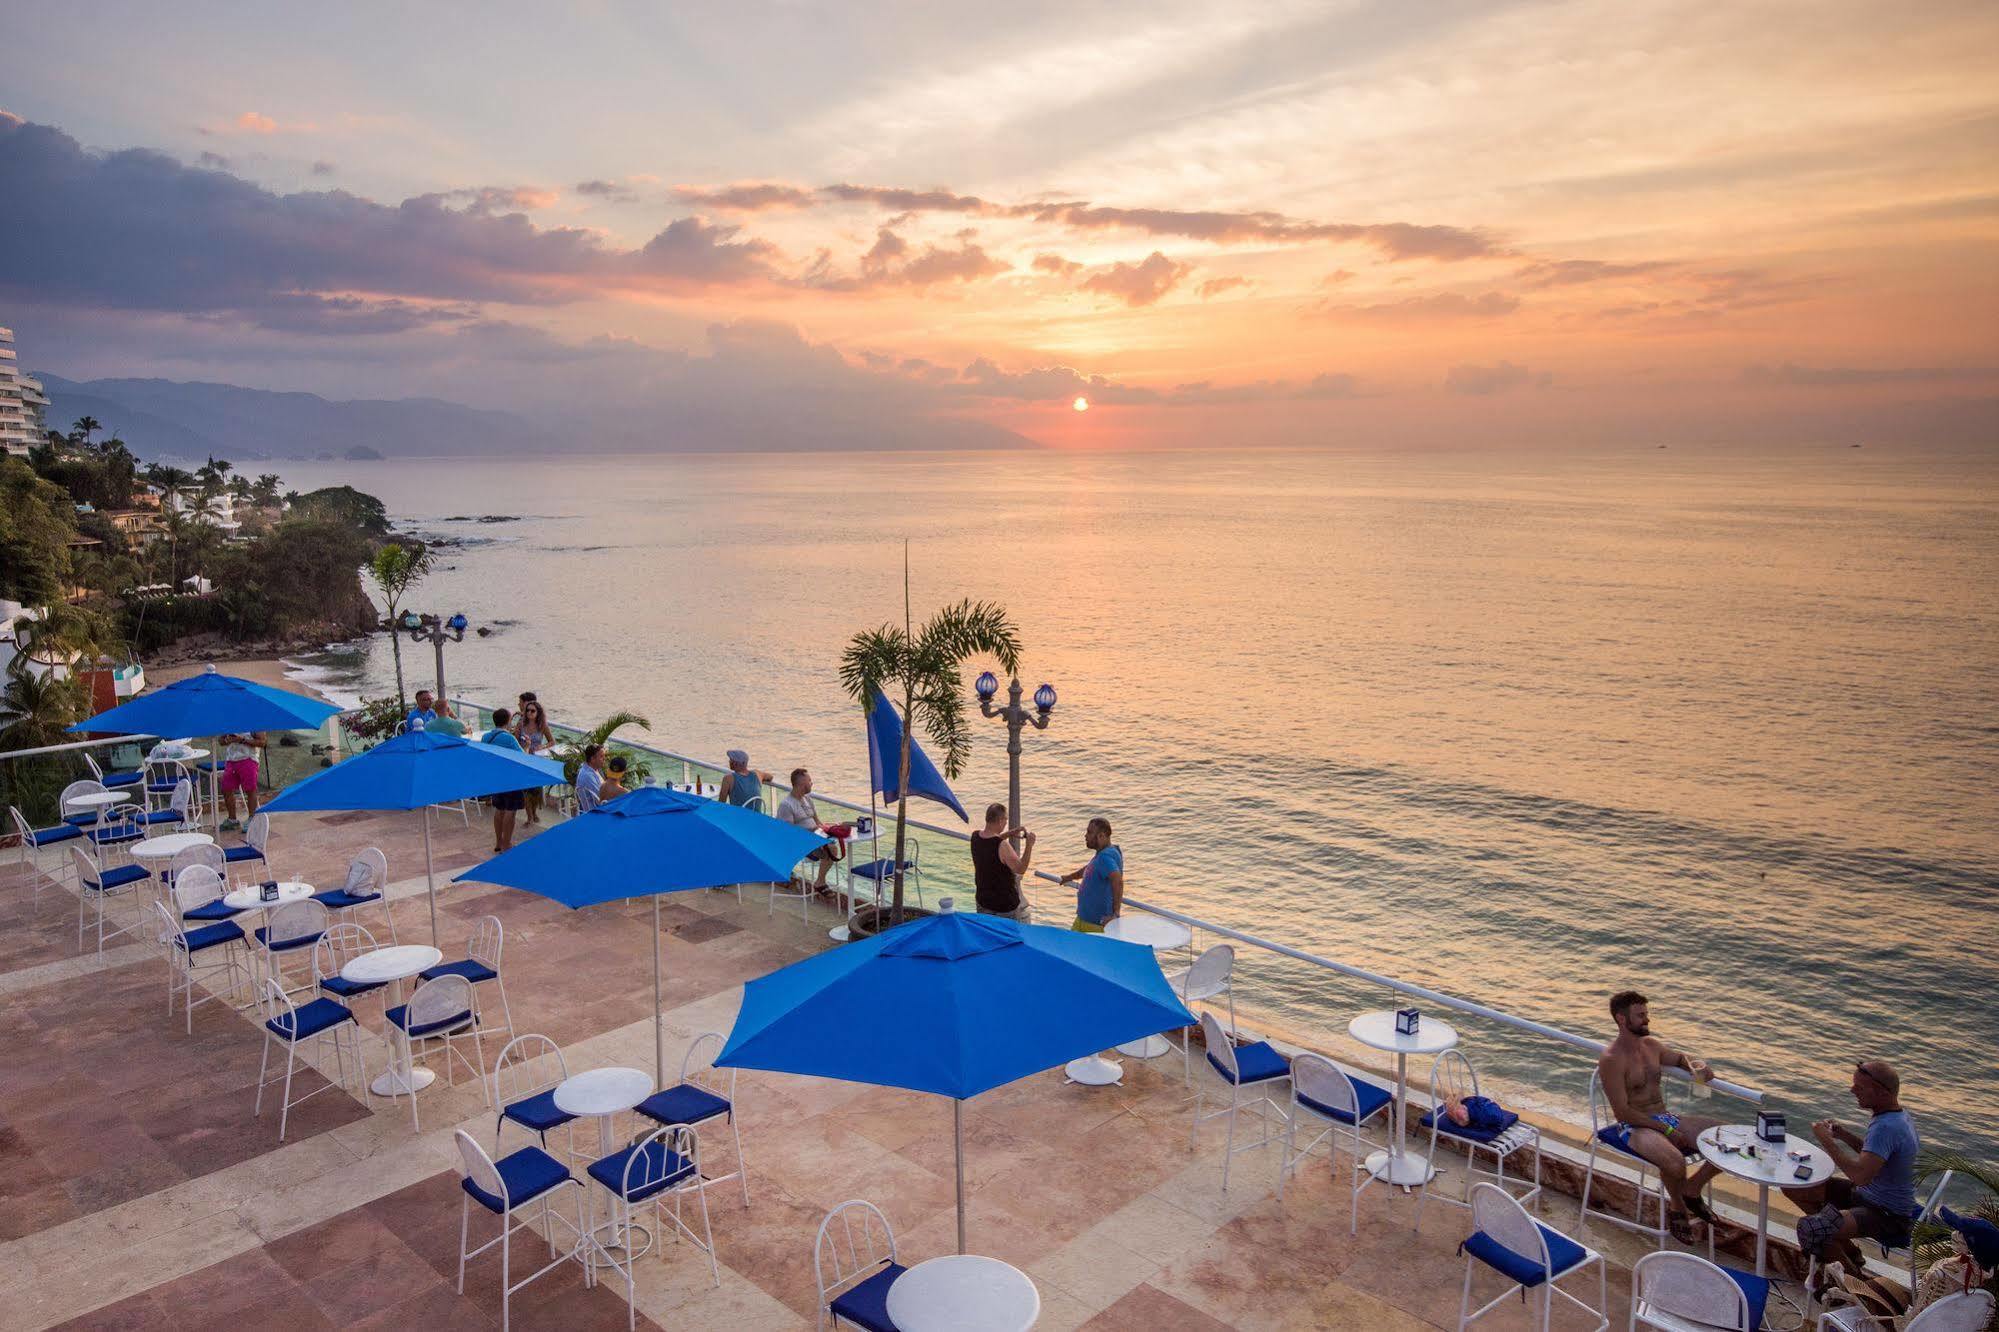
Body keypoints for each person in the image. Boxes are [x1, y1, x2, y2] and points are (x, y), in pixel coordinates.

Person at [1596, 990, 1723, 1243]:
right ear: (1622, 1019)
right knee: (1675, 1163)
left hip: (1664, 1117)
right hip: (1634, 1126)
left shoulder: (1651, 1046)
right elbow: (1622, 1112)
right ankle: (1678, 1207)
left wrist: (1696, 1065)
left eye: (1646, 1014)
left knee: (1727, 1138)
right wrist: (1666, 1131)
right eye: (1640, 1015)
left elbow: (1678, 1058)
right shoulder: (1611, 1059)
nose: (1647, 1020)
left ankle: (1692, 1188)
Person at [1781, 1060, 1922, 1274]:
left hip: (1886, 1214)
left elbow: (1860, 1176)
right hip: (1866, 1196)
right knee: (1794, 1187)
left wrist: (1826, 1141)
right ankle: (1848, 1254)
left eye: (1860, 1087)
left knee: (1812, 1229)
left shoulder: (1886, 1127)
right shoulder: (1895, 1116)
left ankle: (1851, 1284)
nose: (1852, 1090)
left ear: (1882, 1092)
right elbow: (1873, 1156)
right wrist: (1842, 1135)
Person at [776, 767, 842, 890]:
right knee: (832, 849)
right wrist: (811, 831)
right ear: (801, 784)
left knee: (833, 847)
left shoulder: (808, 799)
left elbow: (817, 821)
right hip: (801, 844)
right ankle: (820, 883)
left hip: (815, 838)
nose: (812, 783)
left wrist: (829, 828)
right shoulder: (786, 805)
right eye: (809, 780)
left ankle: (820, 881)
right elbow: (787, 834)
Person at [970, 801, 1034, 922]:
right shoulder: (1002, 846)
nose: (1006, 823)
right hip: (1004, 907)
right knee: (1008, 939)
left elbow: (990, 841)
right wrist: (1029, 845)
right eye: (1005, 820)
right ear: (1000, 820)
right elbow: (1021, 868)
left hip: (983, 901)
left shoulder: (975, 837)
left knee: (988, 936)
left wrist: (1010, 833)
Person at [1058, 817, 1122, 932]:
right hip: (1083, 919)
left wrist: (1116, 913)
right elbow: (1089, 869)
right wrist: (1069, 877)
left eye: (1089, 832)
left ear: (1101, 836)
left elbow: (1117, 880)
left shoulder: (1105, 857)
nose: (1085, 836)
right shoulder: (1103, 854)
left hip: (1096, 924)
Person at [483, 707, 526, 852]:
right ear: (507, 721)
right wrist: (527, 746)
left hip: (494, 777)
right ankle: (507, 843)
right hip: (510, 778)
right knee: (510, 810)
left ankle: (498, 842)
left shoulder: (486, 736)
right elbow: (522, 758)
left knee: (499, 809)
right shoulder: (508, 738)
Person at [514, 698, 555, 826]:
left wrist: (541, 747)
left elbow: (552, 741)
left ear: (538, 713)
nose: (530, 713)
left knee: (536, 790)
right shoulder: (521, 724)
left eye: (533, 711)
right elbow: (514, 741)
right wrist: (524, 746)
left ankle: (535, 812)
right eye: (528, 710)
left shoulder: (542, 726)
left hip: (537, 760)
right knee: (526, 789)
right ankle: (529, 817)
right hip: (524, 759)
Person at [216, 729, 266, 831]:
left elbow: (262, 742)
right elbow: (220, 741)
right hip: (231, 759)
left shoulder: (255, 721)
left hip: (249, 758)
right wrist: (227, 740)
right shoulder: (230, 721)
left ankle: (252, 818)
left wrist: (242, 740)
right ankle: (232, 819)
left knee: (250, 789)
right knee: (226, 788)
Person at [574, 743, 606, 813]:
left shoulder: (596, 769)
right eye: (601, 756)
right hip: (595, 812)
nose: (604, 759)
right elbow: (601, 800)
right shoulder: (588, 776)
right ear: (592, 759)